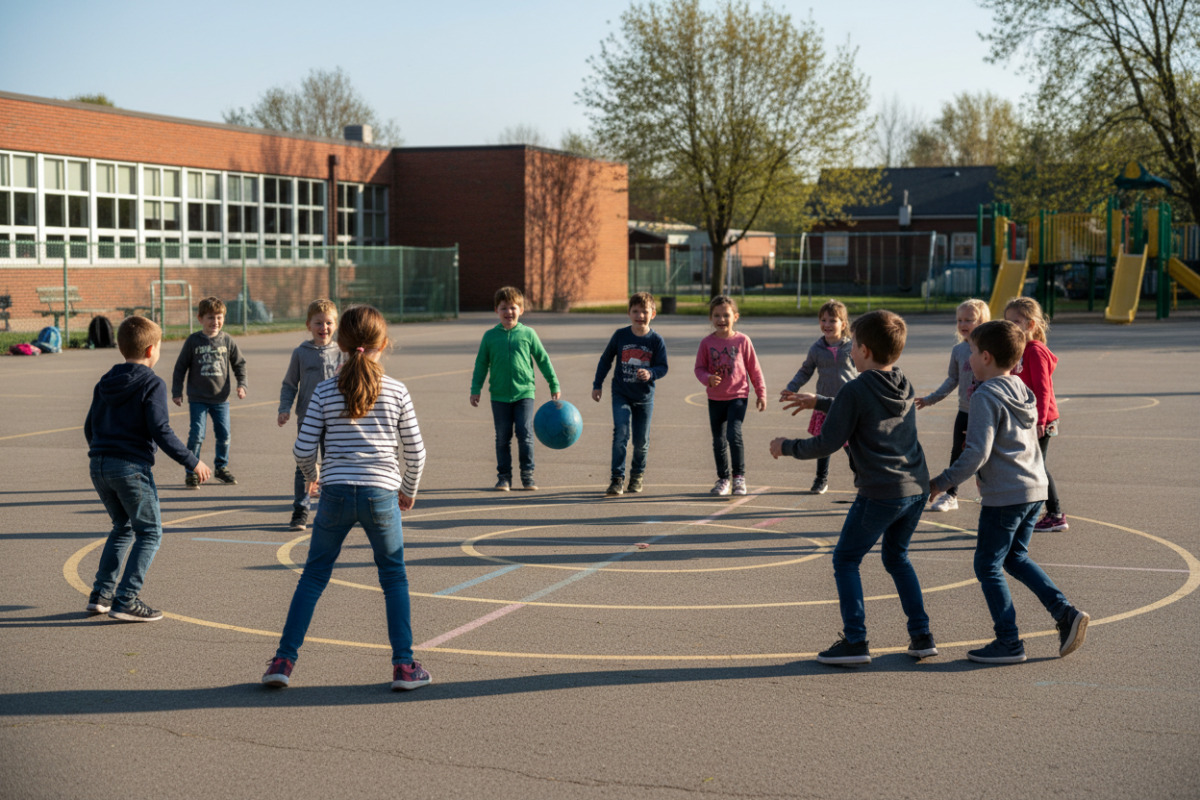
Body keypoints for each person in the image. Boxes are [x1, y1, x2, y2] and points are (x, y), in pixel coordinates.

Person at [262, 305, 430, 690]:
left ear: (340, 344)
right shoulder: (397, 390)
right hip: (381, 493)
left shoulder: (323, 390)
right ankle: (404, 667)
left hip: (335, 492)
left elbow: (304, 449)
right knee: (393, 577)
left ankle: (283, 661)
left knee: (314, 575)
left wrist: (313, 478)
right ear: (383, 345)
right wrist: (408, 490)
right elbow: (416, 452)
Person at [769, 310, 935, 666]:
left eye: (854, 347)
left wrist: (787, 446)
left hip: (881, 490)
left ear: (863, 349)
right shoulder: (902, 381)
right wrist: (820, 401)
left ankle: (856, 641)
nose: (850, 353)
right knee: (896, 557)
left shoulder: (855, 388)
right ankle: (922, 636)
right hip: (916, 486)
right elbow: (864, 409)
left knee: (845, 559)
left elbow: (826, 443)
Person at [930, 319, 1089, 664]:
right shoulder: (1020, 388)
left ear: (986, 356)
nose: (967, 358)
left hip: (1008, 494)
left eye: (971, 351)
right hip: (1034, 490)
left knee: (987, 564)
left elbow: (977, 453)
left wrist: (941, 482)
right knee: (1014, 558)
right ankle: (1065, 613)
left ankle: (1008, 641)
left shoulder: (986, 395)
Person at [84, 315, 213, 622]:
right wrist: (192, 460)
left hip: (99, 465)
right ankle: (125, 599)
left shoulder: (106, 380)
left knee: (123, 526)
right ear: (152, 350)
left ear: (120, 347)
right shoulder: (151, 382)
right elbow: (160, 429)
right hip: (130, 468)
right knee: (150, 533)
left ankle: (101, 595)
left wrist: (100, 451)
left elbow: (90, 426)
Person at [470, 286, 560, 491]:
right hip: (499, 395)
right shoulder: (490, 336)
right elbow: (481, 364)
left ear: (521, 309)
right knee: (502, 437)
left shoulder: (528, 334)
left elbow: (543, 360)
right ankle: (504, 477)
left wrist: (553, 383)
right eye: (504, 308)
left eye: (513, 307)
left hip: (524, 393)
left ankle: (527, 475)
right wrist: (476, 389)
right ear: (496, 310)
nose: (508, 312)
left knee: (525, 433)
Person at [916, 298, 990, 512]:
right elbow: (952, 379)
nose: (963, 324)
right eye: (959, 320)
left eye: (969, 319)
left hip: (986, 412)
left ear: (983, 321)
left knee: (987, 454)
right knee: (957, 453)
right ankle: (951, 495)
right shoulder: (958, 351)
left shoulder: (991, 349)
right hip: (965, 411)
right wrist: (930, 399)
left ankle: (990, 493)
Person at [592, 292, 669, 496]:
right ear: (629, 313)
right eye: (635, 311)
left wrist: (651, 373)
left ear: (653, 314)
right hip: (621, 393)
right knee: (621, 433)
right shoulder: (620, 336)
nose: (640, 315)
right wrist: (597, 384)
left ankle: (637, 475)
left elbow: (663, 367)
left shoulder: (656, 340)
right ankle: (617, 478)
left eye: (644, 311)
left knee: (641, 441)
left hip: (644, 398)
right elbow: (605, 360)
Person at [780, 299, 857, 495]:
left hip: (848, 405)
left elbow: (864, 370)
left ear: (843, 323)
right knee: (824, 444)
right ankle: (821, 479)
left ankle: (863, 477)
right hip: (823, 404)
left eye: (833, 320)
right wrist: (791, 388)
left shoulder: (852, 347)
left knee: (853, 446)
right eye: (823, 320)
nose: (827, 324)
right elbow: (805, 371)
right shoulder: (816, 349)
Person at [278, 299, 342, 531]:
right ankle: (301, 509)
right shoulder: (301, 353)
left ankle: (331, 510)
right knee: (304, 464)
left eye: (328, 323)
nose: (323, 327)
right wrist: (284, 408)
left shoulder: (341, 353)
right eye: (318, 323)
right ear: (308, 325)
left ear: (335, 325)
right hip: (308, 418)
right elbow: (289, 384)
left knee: (332, 464)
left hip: (335, 420)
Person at [1004, 297, 1068, 532]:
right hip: (1025, 417)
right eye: (1007, 321)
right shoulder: (1017, 350)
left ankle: (1055, 514)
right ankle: (1037, 509)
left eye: (1016, 321)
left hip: (1042, 419)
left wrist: (1040, 421)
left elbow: (1043, 389)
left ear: (1030, 324)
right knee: (1031, 465)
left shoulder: (1035, 351)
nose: (1011, 325)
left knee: (1037, 466)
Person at [694, 295, 767, 497]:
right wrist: (707, 378)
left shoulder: (742, 341)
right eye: (717, 315)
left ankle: (739, 478)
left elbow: (754, 370)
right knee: (718, 440)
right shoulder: (707, 343)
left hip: (738, 396)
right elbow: (699, 368)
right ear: (711, 318)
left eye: (726, 315)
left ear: (735, 316)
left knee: (733, 435)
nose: (721, 319)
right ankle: (723, 479)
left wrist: (761, 393)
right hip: (715, 398)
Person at [171, 296, 247, 489]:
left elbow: (239, 364)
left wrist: (242, 384)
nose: (215, 322)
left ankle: (221, 467)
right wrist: (177, 391)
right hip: (198, 398)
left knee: (224, 434)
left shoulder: (227, 340)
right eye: (210, 318)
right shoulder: (193, 341)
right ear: (200, 319)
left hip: (221, 399)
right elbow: (180, 367)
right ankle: (191, 471)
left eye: (219, 317)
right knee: (197, 435)